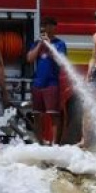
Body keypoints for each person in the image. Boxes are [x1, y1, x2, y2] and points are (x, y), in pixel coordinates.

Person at [26, 17, 66, 145]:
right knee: (37, 115)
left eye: (47, 25)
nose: (44, 28)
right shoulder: (37, 43)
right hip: (37, 83)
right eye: (43, 25)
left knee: (54, 115)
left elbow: (61, 61)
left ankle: (54, 144)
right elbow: (30, 59)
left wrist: (49, 45)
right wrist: (40, 44)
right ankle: (40, 143)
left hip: (51, 84)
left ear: (54, 27)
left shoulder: (60, 44)